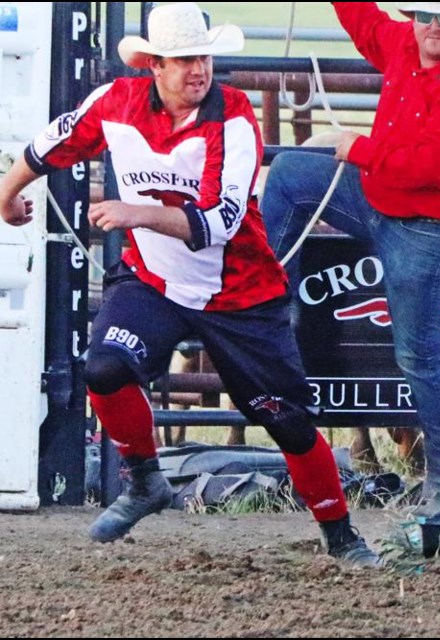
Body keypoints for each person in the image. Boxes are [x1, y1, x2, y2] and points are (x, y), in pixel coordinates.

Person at [0, 3, 379, 566]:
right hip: (154, 280)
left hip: (240, 293)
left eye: (202, 56)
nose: (197, 69)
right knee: (103, 369)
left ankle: (340, 531)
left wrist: (138, 213)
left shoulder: (233, 117)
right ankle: (145, 480)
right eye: (182, 60)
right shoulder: (114, 104)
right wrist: (7, 195)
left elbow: (220, 223)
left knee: (287, 420)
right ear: (153, 65)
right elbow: (47, 147)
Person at [260, 2, 440, 513]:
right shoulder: (403, 44)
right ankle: (265, 294)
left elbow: (430, 168)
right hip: (384, 199)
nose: (431, 28)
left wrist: (362, 149)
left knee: (417, 356)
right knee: (287, 174)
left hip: (432, 226)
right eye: (424, 16)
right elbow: (364, 20)